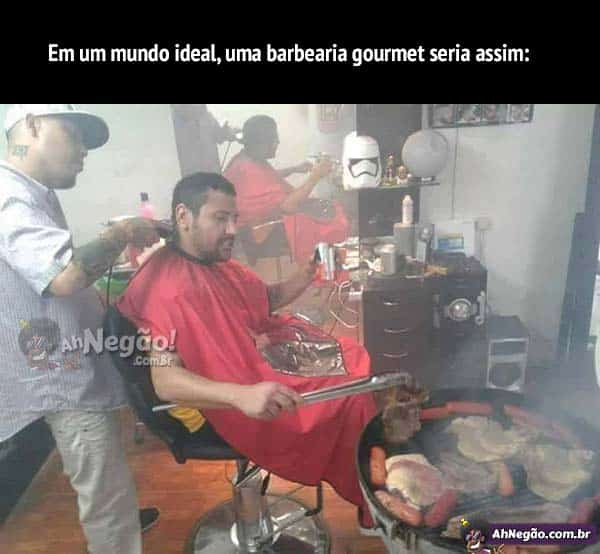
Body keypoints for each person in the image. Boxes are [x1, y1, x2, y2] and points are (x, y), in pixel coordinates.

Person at [115, 172, 378, 530]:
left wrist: (307, 273)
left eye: (234, 218)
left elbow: (263, 300)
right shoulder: (162, 287)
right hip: (232, 402)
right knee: (353, 397)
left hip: (255, 365)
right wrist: (241, 395)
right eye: (220, 218)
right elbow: (166, 381)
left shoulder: (216, 263)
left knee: (354, 359)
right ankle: (371, 505)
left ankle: (374, 480)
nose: (232, 230)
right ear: (184, 216)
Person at [0, 104, 162, 553]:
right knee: (102, 485)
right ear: (32, 125)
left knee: (106, 472)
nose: (83, 151)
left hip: (70, 357)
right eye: (74, 135)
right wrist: (123, 232)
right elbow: (64, 276)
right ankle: (115, 539)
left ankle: (119, 521)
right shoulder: (9, 197)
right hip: (58, 373)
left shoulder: (34, 192)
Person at [224, 114, 350, 262]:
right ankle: (326, 264)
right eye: (273, 139)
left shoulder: (245, 158)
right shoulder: (250, 171)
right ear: (261, 143)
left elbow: (267, 178)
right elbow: (288, 206)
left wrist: (295, 169)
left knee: (324, 207)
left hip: (253, 227)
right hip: (258, 235)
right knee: (330, 222)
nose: (277, 142)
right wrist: (315, 176)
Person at [170, 104, 239, 176]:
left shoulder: (206, 116)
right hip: (190, 176)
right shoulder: (171, 123)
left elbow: (219, 135)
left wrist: (228, 132)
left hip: (212, 173)